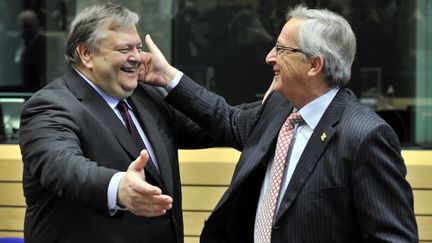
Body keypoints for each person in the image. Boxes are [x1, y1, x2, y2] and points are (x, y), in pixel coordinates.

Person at [140, 4, 418, 243]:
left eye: (281, 49)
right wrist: (169, 77)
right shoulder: (279, 108)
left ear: (314, 65)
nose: (269, 57)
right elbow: (226, 118)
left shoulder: (365, 135)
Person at [19, 3, 217, 243]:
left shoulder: (147, 96)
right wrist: (119, 188)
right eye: (125, 49)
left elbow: (218, 126)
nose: (137, 57)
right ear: (86, 54)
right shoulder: (49, 106)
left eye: (138, 47)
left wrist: (173, 79)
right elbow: (64, 167)